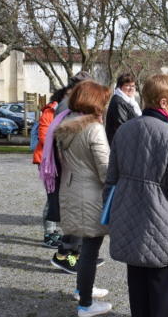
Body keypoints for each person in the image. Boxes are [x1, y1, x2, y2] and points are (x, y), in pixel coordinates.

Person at [104, 74, 168, 317]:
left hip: (129, 218)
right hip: (161, 222)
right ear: (163, 102)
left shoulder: (123, 132)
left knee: (137, 287)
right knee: (160, 289)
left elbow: (111, 178)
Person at [53, 80, 113, 316]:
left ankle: (83, 289)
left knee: (85, 247)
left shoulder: (66, 125)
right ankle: (86, 304)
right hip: (90, 194)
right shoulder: (93, 129)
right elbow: (106, 169)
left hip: (71, 190)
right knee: (90, 248)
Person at [33, 88, 67, 248]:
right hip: (47, 161)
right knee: (51, 197)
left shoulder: (65, 111)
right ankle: (49, 234)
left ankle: (53, 231)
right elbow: (43, 136)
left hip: (57, 160)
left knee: (57, 197)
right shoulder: (50, 111)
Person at [105, 73, 141, 144]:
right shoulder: (118, 102)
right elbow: (122, 126)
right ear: (120, 87)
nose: (131, 88)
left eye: (133, 86)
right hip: (120, 143)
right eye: (127, 85)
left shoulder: (130, 101)